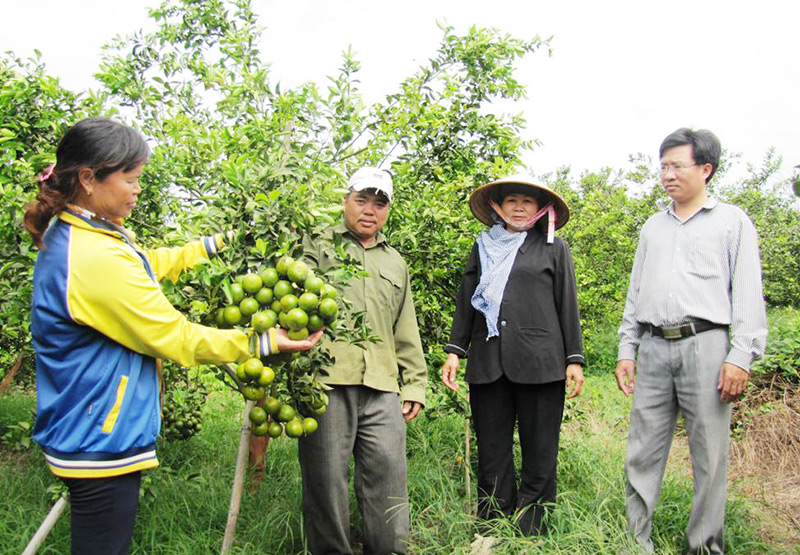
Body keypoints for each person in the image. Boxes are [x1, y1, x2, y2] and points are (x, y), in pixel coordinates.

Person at [24, 117, 322, 555]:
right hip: (98, 433)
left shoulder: (84, 233)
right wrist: (262, 342)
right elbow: (175, 338)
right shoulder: (90, 255)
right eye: (131, 179)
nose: (137, 189)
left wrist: (216, 245)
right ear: (89, 179)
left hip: (89, 423)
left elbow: (142, 265)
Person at [615, 128, 767, 554]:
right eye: (662, 165)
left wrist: (741, 356)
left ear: (705, 169)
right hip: (655, 345)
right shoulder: (652, 227)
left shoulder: (732, 222)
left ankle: (703, 546)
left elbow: (748, 294)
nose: (666, 174)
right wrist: (628, 348)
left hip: (707, 345)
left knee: (709, 455)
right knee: (642, 448)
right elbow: (636, 293)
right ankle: (635, 540)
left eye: (676, 165)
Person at [440, 174, 585, 536]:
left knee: (540, 449)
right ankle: (492, 522)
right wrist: (456, 351)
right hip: (489, 361)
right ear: (497, 207)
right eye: (511, 201)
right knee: (492, 449)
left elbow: (567, 303)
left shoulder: (553, 247)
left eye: (527, 201)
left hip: (541, 362)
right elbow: (467, 302)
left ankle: (532, 527)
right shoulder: (482, 246)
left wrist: (574, 358)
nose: (519, 207)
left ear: (540, 209)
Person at [298, 167, 427, 555]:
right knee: (326, 483)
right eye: (362, 199)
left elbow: (406, 328)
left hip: (383, 387)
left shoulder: (395, 263)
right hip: (326, 382)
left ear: (388, 210)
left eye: (379, 202)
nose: (370, 210)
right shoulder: (315, 247)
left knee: (388, 479)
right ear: (345, 201)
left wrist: (415, 383)